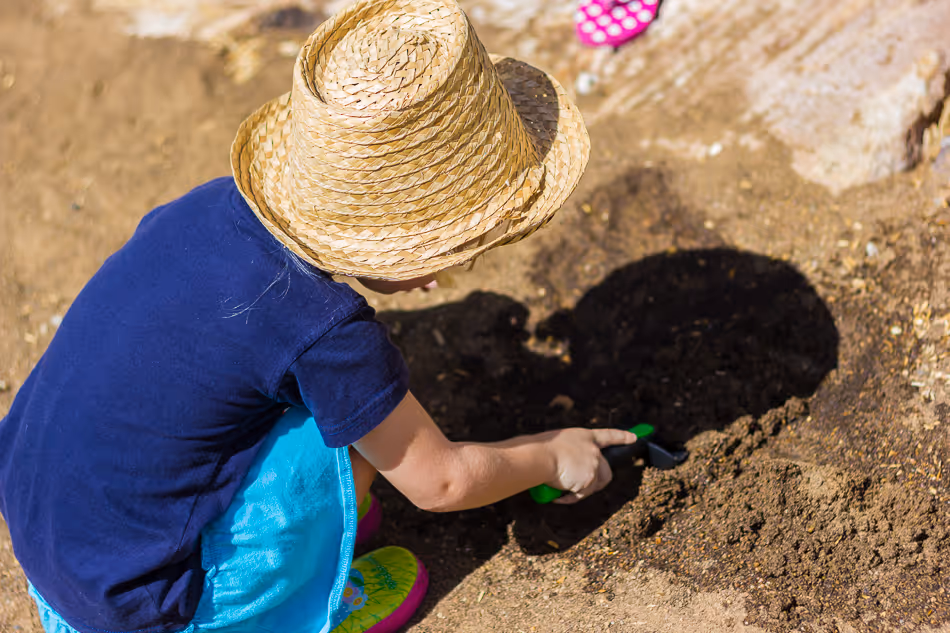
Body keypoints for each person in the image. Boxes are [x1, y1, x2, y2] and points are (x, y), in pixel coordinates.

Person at [0, 0, 639, 631]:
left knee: (295, 398)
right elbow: (440, 484)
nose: (452, 271)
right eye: (452, 245)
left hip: (47, 534)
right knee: (351, 429)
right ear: (394, 234)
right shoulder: (324, 327)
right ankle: (286, 605)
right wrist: (554, 455)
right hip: (139, 604)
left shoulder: (208, 207)